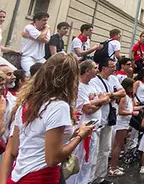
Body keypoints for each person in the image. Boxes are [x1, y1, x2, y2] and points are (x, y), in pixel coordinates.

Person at [0, 53, 94, 184]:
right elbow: (52, 158)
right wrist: (80, 136)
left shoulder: (26, 103)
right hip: (42, 177)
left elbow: (12, 149)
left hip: (18, 176)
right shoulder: (59, 106)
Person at [66, 59, 108, 184]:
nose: (97, 70)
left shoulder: (93, 85)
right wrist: (100, 101)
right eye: (95, 68)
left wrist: (98, 102)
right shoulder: (78, 86)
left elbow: (105, 98)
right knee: (77, 161)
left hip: (94, 129)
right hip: (81, 131)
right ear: (87, 71)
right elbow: (87, 109)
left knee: (88, 162)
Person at [88, 58, 125, 184]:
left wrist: (110, 95)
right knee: (94, 151)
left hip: (109, 118)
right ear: (104, 68)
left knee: (105, 149)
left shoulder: (113, 79)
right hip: (97, 119)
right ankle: (90, 179)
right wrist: (112, 95)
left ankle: (100, 177)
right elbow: (100, 99)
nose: (115, 68)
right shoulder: (94, 81)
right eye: (112, 66)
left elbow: (122, 92)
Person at [109, 77, 138, 177]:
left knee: (119, 145)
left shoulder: (129, 97)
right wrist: (132, 112)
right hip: (121, 123)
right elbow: (120, 111)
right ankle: (113, 167)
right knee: (118, 145)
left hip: (125, 123)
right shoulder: (124, 97)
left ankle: (114, 165)